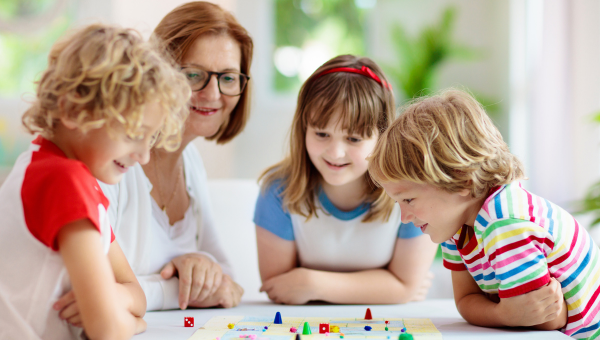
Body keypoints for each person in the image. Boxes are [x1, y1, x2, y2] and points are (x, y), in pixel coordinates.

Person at [0, 24, 190, 340]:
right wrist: (131, 323)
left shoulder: (72, 178)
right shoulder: (62, 180)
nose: (144, 156)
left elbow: (135, 294)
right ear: (74, 111)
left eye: (150, 138)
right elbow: (107, 330)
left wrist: (118, 302)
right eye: (133, 134)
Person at [368, 89, 600, 338]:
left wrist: (506, 311)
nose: (404, 217)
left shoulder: (505, 222)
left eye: (409, 199)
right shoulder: (453, 223)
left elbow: (547, 318)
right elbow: (467, 301)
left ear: (462, 181)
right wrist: (504, 314)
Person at [99, 1, 252, 311]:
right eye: (193, 75)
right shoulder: (113, 158)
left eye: (228, 77)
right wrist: (177, 290)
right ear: (157, 74)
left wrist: (198, 264)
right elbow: (95, 291)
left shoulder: (191, 161)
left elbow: (229, 283)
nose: (212, 94)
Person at [254, 55, 438, 305]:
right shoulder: (278, 191)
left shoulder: (412, 190)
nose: (335, 153)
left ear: (383, 136)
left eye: (353, 139)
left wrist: (311, 284)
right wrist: (387, 288)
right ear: (303, 129)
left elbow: (405, 287)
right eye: (321, 133)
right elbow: (280, 288)